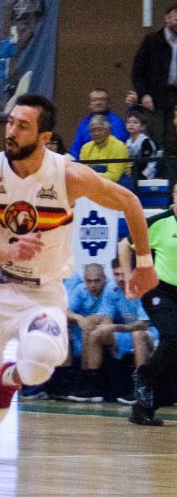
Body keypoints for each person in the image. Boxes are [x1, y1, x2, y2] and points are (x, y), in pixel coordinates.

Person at [0, 94, 157, 497]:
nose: (10, 131)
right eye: (9, 122)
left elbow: (129, 201)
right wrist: (11, 249)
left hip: (41, 292)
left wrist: (144, 264)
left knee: (40, 362)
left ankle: (10, 380)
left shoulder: (68, 175)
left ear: (44, 137)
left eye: (22, 126)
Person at [119, 182, 177, 426]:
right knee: (174, 336)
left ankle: (144, 407)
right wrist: (127, 276)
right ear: (173, 196)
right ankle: (143, 376)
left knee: (172, 347)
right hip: (159, 290)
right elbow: (124, 244)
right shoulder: (159, 222)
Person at [91, 257, 155, 405]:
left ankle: (141, 389)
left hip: (150, 332)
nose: (120, 278)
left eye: (123, 274)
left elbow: (143, 324)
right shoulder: (111, 289)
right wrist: (105, 330)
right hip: (125, 332)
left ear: (131, 272)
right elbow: (107, 317)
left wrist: (114, 328)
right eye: (116, 274)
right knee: (93, 333)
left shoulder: (142, 287)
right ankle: (93, 388)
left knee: (137, 335)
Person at [131, 3, 177, 156]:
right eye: (175, 16)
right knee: (155, 137)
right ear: (167, 18)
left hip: (175, 95)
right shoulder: (152, 40)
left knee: (173, 139)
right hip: (154, 97)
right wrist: (143, 94)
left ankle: (171, 170)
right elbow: (138, 70)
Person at [65, 263, 113, 402]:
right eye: (89, 281)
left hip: (111, 330)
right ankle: (78, 384)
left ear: (104, 278)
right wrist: (78, 318)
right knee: (77, 330)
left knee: (89, 332)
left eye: (97, 280)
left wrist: (85, 321)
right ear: (84, 280)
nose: (93, 285)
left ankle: (91, 385)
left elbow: (104, 316)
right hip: (86, 332)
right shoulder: (81, 289)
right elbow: (66, 311)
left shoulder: (110, 288)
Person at [67, 88, 128, 160]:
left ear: (108, 103)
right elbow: (76, 149)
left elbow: (117, 146)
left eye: (102, 99)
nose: (98, 102)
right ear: (89, 104)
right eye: (94, 100)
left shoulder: (116, 122)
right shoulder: (84, 123)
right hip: (86, 161)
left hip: (108, 161)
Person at [79, 114, 129, 184]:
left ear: (108, 130)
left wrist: (92, 176)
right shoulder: (85, 148)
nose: (96, 133)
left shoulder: (118, 146)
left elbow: (114, 176)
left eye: (100, 129)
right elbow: (83, 173)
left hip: (118, 184)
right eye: (93, 130)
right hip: (93, 183)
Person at [123, 109, 159, 183]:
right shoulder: (127, 142)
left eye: (135, 122)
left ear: (142, 126)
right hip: (131, 176)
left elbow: (150, 163)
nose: (131, 125)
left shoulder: (146, 142)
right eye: (128, 122)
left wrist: (143, 176)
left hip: (146, 177)